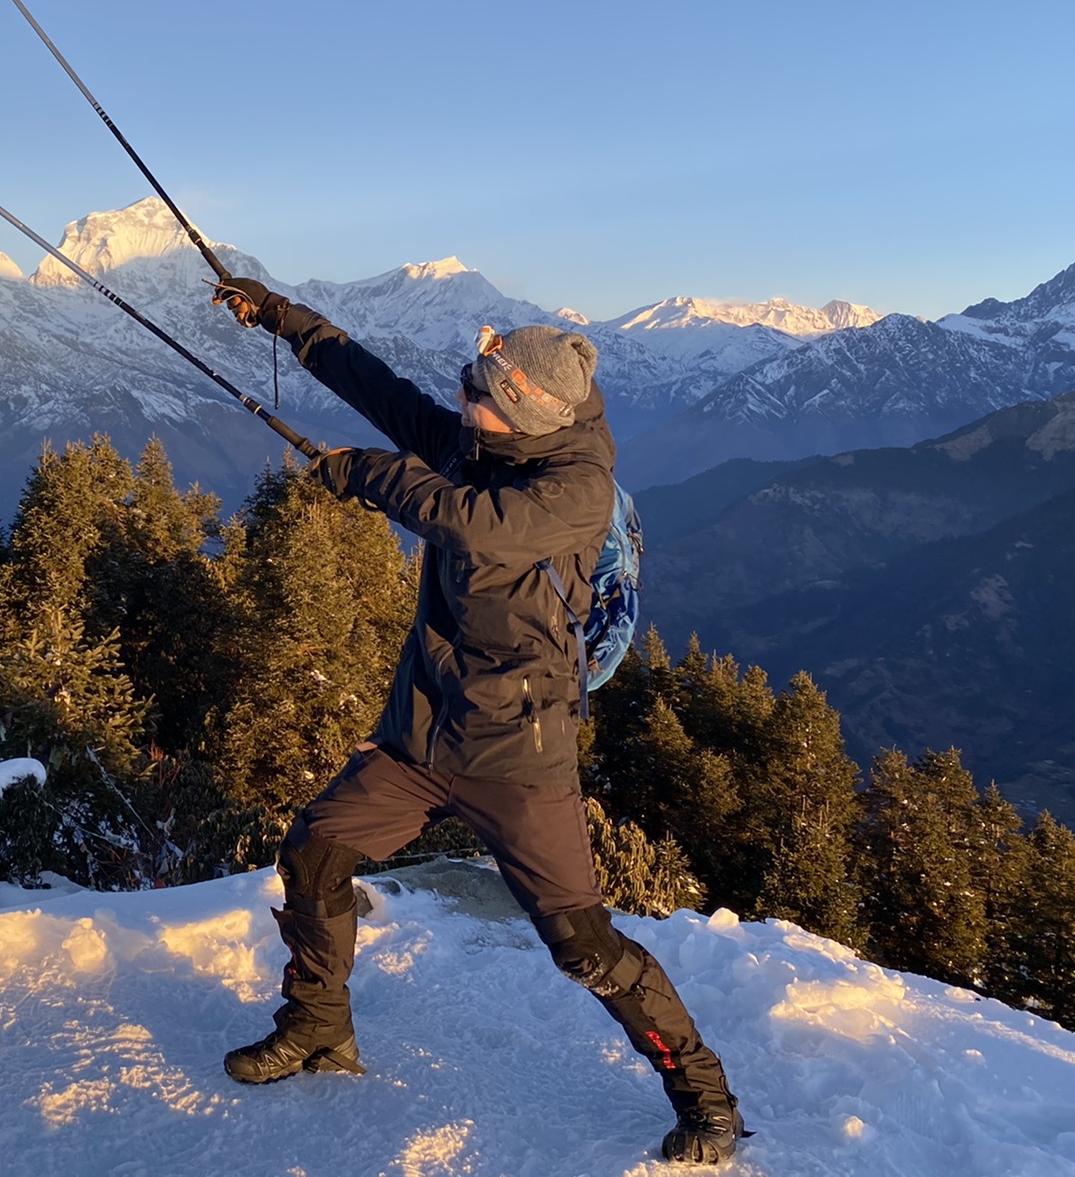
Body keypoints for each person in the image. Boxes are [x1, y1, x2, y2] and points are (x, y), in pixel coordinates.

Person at [209, 276, 746, 1167]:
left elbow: (470, 526)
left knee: (582, 945)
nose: (462, 401)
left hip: (519, 753)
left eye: (480, 394)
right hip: (426, 733)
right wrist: (283, 319)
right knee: (315, 849)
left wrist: (358, 472)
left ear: (527, 411)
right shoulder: (487, 443)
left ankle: (708, 1099)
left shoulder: (576, 486)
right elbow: (385, 393)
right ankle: (316, 1026)